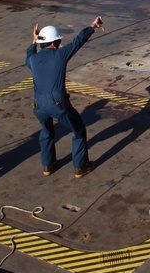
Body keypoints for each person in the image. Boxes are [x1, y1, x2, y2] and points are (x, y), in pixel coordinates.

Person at [26, 16, 103, 178]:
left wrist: (33, 41)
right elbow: (78, 41)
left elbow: (29, 55)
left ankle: (48, 165)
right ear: (55, 43)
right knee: (79, 130)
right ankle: (80, 166)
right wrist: (92, 26)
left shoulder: (33, 60)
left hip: (38, 106)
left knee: (47, 131)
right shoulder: (59, 55)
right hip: (57, 104)